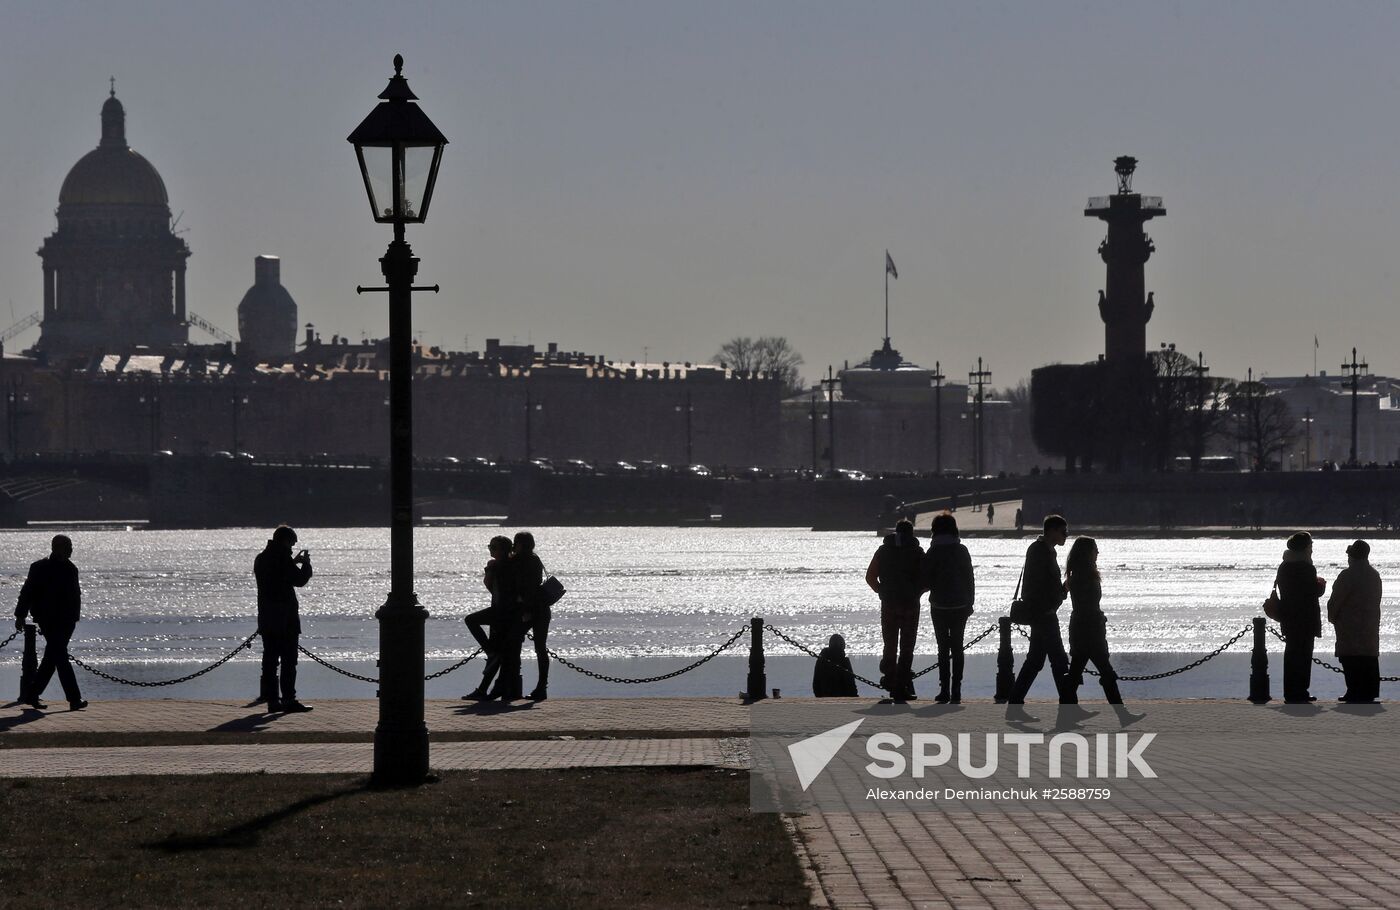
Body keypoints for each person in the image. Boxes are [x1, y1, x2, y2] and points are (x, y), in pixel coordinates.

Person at [13, 534, 86, 711]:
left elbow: (75, 597)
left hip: (67, 621)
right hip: (48, 620)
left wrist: (74, 618)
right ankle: (74, 699)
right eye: (67, 546)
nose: (71, 549)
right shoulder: (39, 567)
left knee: (52, 658)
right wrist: (20, 615)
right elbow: (27, 592)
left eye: (71, 546)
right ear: (57, 547)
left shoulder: (71, 569)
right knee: (60, 657)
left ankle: (32, 694)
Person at [1008, 515, 1072, 712]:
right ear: (1052, 530)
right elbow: (1039, 586)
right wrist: (1062, 591)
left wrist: (1061, 591)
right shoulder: (1040, 551)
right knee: (1058, 661)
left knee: (1035, 661)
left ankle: (1015, 705)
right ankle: (1069, 707)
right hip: (1044, 613)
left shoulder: (1044, 550)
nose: (1065, 536)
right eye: (1063, 532)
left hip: (1042, 612)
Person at [254, 525, 314, 713]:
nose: (292, 548)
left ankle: (273, 701)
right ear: (286, 540)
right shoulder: (282, 558)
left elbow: (278, 577)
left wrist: (292, 562)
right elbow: (299, 580)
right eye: (292, 544)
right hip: (286, 619)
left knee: (270, 661)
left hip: (267, 618)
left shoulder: (261, 558)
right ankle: (289, 700)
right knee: (289, 661)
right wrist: (306, 564)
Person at [866, 518, 923, 702]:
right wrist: (917, 592)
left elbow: (870, 577)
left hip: (889, 605)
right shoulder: (916, 552)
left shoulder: (883, 551)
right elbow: (927, 578)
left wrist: (881, 591)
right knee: (907, 647)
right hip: (910, 606)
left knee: (890, 644)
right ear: (911, 533)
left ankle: (890, 679)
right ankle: (901, 686)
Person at [1063, 537, 1123, 705]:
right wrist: (1098, 618)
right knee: (1105, 672)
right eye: (1095, 549)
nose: (1097, 553)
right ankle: (1122, 714)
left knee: (1076, 675)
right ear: (1087, 552)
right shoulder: (1086, 574)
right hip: (1089, 630)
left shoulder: (1077, 573)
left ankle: (1065, 715)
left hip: (1081, 628)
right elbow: (1088, 604)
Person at [922, 512, 974, 704]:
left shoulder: (933, 552)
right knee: (958, 647)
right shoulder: (961, 550)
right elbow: (970, 579)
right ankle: (957, 690)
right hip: (960, 604)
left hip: (939, 605)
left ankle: (944, 689)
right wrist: (970, 602)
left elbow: (925, 578)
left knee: (943, 648)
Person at [1327, 539, 1382, 703]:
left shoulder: (1347, 575)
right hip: (1370, 624)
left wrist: (1332, 616)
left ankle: (1354, 691)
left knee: (1350, 658)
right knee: (1369, 657)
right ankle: (1369, 691)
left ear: (1352, 556)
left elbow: (1336, 600)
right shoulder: (1374, 575)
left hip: (1349, 624)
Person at [1275, 531, 1325, 704]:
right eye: (1310, 546)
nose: (1312, 549)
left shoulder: (1284, 565)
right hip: (1305, 618)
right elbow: (1312, 592)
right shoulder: (1306, 567)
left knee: (1291, 655)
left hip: (1289, 616)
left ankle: (1290, 691)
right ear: (1305, 547)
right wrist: (1321, 584)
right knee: (1303, 656)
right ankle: (1301, 691)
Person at [463, 536, 514, 700]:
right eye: (490, 546)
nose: (491, 549)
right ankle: (483, 689)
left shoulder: (500, 566)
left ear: (503, 550)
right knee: (499, 654)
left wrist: (490, 569)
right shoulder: (509, 564)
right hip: (503, 612)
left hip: (501, 612)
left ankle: (489, 653)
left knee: (471, 620)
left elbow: (489, 585)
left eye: (493, 547)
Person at [500, 531, 549, 701]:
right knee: (540, 648)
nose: (514, 545)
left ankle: (520, 685)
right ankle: (541, 687)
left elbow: (525, 586)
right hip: (540, 608)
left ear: (521, 544)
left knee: (516, 641)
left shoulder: (522, 561)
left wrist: (526, 609)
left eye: (516, 543)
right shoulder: (534, 559)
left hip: (530, 608)